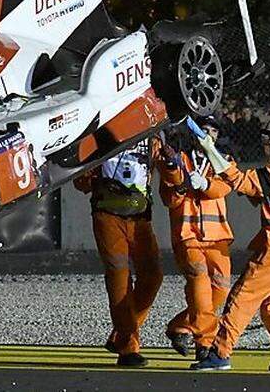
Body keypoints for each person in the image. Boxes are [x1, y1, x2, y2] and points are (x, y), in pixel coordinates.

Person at [192, 120, 270, 372]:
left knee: (240, 299)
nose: (269, 142)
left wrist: (211, 152)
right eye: (267, 136)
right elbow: (264, 191)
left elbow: (241, 181)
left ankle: (220, 354)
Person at [73, 139, 163, 367]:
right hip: (107, 214)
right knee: (119, 276)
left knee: (153, 276)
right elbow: (80, 182)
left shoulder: (154, 139)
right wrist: (90, 167)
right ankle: (128, 348)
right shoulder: (100, 135)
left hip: (140, 217)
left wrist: (172, 165)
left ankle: (121, 334)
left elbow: (171, 178)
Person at [155, 118, 234, 363]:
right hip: (187, 235)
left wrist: (206, 183)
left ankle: (181, 326)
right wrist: (174, 176)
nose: (207, 135)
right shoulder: (180, 160)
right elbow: (169, 198)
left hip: (217, 236)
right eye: (203, 130)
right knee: (199, 282)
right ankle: (204, 342)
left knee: (221, 288)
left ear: (216, 136)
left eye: (212, 131)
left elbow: (224, 187)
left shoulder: (224, 159)